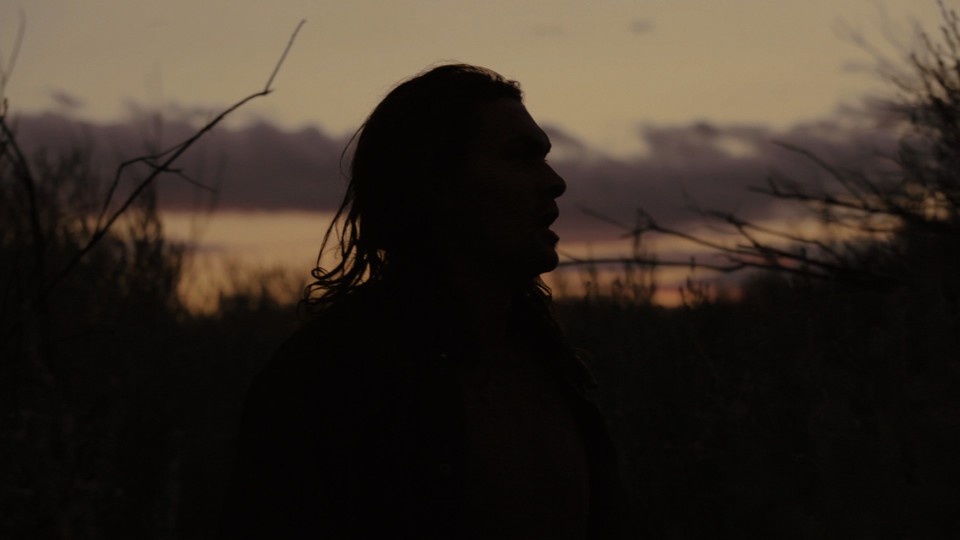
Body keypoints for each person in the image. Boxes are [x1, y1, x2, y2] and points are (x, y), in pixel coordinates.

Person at [219, 64, 629, 539]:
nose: (554, 182)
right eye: (520, 157)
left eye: (545, 158)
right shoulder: (330, 378)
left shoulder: (554, 368)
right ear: (437, 184)